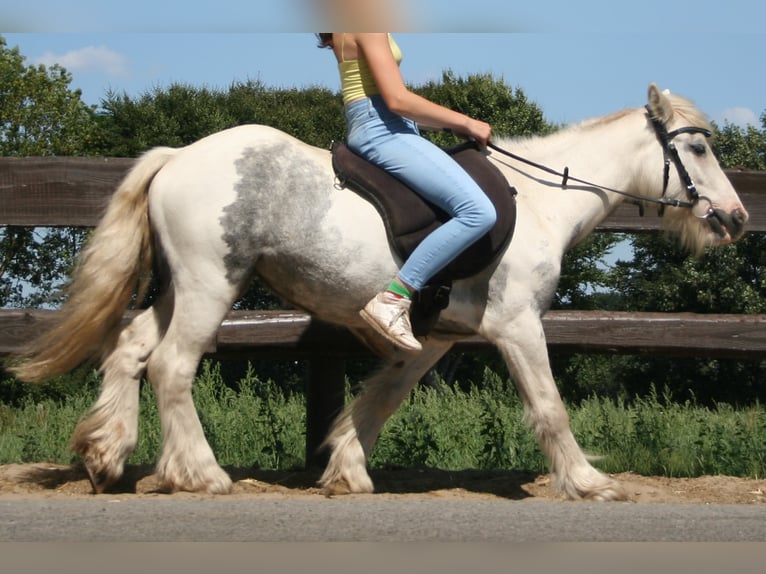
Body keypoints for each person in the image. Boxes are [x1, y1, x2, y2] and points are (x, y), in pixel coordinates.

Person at [318, 33, 496, 352]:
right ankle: (395, 296)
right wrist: (467, 122)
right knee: (477, 212)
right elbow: (396, 100)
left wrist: (445, 124)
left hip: (386, 125)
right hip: (384, 129)